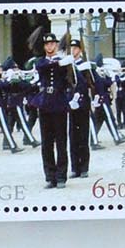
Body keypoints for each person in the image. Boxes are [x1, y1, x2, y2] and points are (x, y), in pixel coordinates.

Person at [31, 32, 74, 190]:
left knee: (61, 142)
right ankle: (50, 177)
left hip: (59, 103)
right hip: (45, 104)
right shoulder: (41, 62)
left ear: (56, 45)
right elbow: (42, 68)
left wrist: (69, 65)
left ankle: (61, 176)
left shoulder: (64, 62)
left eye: (52, 44)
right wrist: (60, 63)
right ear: (44, 47)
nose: (50, 46)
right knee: (46, 143)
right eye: (47, 44)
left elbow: (71, 81)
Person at [66, 39, 94, 178]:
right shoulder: (68, 65)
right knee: (73, 137)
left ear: (80, 50)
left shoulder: (84, 65)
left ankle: (84, 168)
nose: (73, 50)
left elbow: (92, 83)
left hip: (82, 105)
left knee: (83, 136)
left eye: (75, 48)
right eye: (71, 48)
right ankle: (74, 167)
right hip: (71, 105)